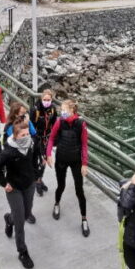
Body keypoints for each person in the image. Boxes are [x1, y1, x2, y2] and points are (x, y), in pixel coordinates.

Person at [0, 116, 38, 269]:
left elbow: (34, 159)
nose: (26, 137)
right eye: (22, 135)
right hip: (14, 188)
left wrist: (36, 175)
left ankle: (8, 218)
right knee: (20, 221)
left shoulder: (31, 144)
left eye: (27, 134)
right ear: (16, 136)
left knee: (25, 215)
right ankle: (22, 251)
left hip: (29, 185)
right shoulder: (9, 151)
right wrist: (4, 183)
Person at [45, 98, 90, 237]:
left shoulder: (81, 124)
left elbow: (84, 145)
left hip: (76, 160)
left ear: (72, 111)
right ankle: (57, 204)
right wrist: (49, 154)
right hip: (61, 158)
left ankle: (84, 218)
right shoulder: (60, 122)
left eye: (64, 110)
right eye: (61, 110)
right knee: (61, 185)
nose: (62, 112)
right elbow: (51, 138)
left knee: (79, 190)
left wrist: (84, 163)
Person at [30, 89, 59, 196]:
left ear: (51, 100)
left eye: (48, 99)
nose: (46, 101)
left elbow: (55, 123)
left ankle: (38, 180)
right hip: (36, 137)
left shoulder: (52, 109)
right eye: (44, 99)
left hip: (46, 138)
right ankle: (36, 180)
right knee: (35, 159)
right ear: (41, 99)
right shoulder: (35, 109)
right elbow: (30, 125)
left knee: (44, 159)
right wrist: (33, 138)